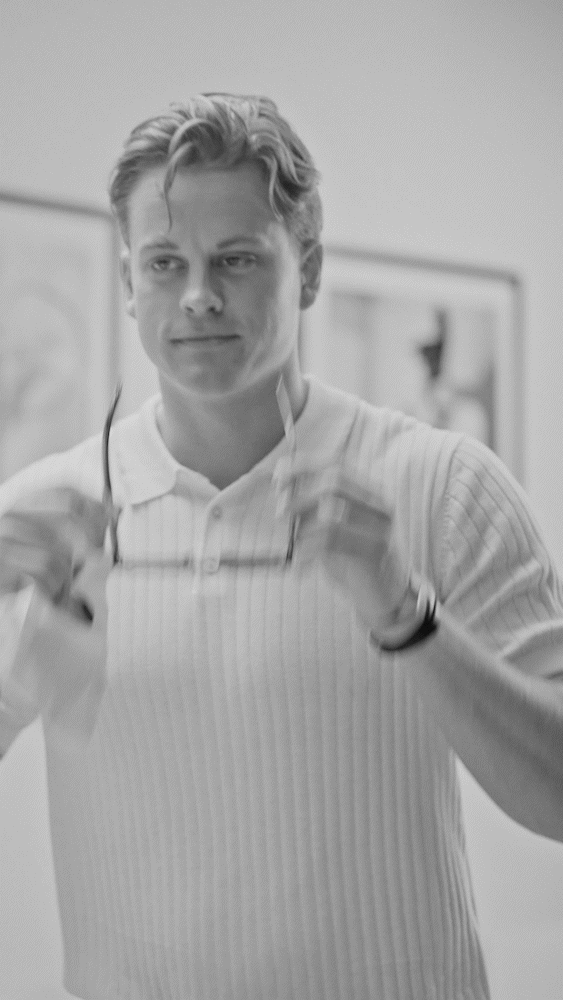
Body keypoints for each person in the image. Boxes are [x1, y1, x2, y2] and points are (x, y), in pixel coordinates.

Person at [0, 93, 562, 1000]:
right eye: (164, 262)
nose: (197, 295)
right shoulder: (42, 513)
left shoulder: (443, 486)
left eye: (236, 259)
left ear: (307, 270)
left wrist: (404, 614)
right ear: (128, 281)